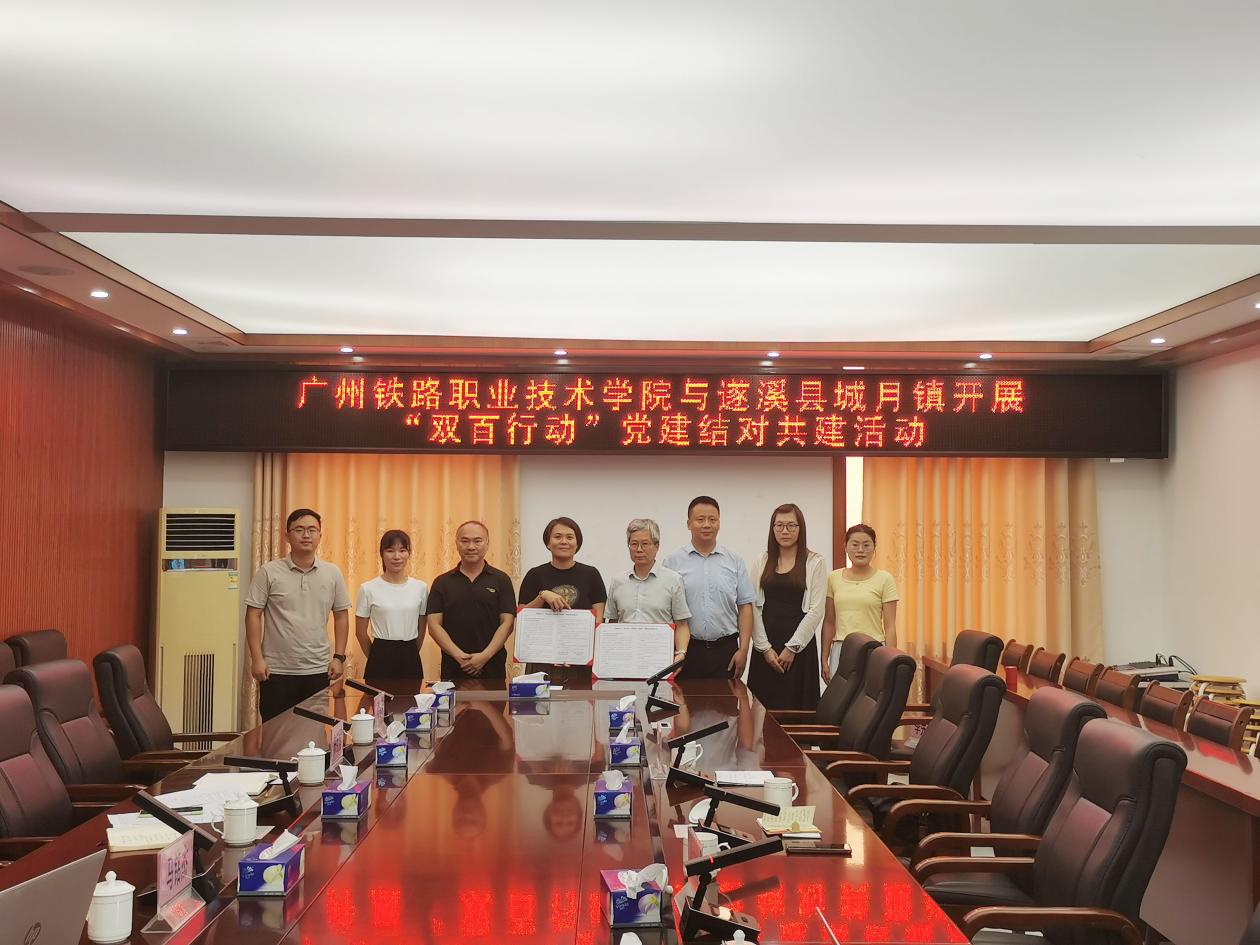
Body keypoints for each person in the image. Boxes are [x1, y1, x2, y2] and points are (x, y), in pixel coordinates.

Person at [244, 508, 351, 722]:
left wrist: (338, 657)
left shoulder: (332, 573)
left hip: (317, 669)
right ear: (287, 536)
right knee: (276, 732)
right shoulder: (269, 571)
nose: (306, 535)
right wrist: (257, 659)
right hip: (276, 670)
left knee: (313, 731)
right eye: (299, 530)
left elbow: (341, 616)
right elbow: (253, 615)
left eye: (312, 530)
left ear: (320, 535)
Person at [662, 496, 755, 679]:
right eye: (700, 519)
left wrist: (744, 650)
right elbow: (665, 609)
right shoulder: (672, 561)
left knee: (726, 698)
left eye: (712, 519)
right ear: (688, 524)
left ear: (719, 523)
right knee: (683, 698)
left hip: (726, 652)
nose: (706, 525)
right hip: (686, 651)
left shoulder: (734, 560)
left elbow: (745, 607)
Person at [747, 503, 826, 710]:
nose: (785, 531)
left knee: (799, 712)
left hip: (800, 649)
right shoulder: (762, 560)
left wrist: (792, 648)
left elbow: (816, 610)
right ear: (772, 529)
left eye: (791, 525)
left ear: (801, 529)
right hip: (766, 647)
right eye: (779, 525)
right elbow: (752, 606)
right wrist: (765, 648)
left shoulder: (815, 562)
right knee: (761, 715)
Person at [517, 517, 607, 683]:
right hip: (542, 660)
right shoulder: (535, 575)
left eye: (569, 537)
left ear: (577, 543)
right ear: (548, 543)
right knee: (540, 700)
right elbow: (523, 618)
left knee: (581, 699)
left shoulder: (591, 574)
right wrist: (543, 595)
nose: (564, 541)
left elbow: (599, 621)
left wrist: (573, 652)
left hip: (580, 660)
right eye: (557, 537)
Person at [426, 520, 516, 682]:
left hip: (492, 666)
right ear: (456, 543)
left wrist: (484, 656)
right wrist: (460, 657)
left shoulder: (501, 580)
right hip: (453, 666)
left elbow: (507, 624)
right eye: (465, 541)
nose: (471, 546)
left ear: (487, 543)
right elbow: (434, 625)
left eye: (477, 541)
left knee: (495, 700)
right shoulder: (442, 582)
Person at [604, 518, 691, 661]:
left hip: (659, 659)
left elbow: (682, 624)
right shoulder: (618, 581)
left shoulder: (673, 580)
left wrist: (681, 653)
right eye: (634, 544)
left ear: (657, 546)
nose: (639, 549)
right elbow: (612, 624)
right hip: (624, 659)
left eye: (645, 544)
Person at [821, 523, 899, 680]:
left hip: (874, 650)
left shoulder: (885, 579)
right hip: (841, 648)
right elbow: (829, 621)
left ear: (874, 547)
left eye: (866, 545)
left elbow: (890, 626)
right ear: (845, 546)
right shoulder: (833, 578)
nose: (860, 550)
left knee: (871, 694)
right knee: (840, 694)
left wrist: (891, 660)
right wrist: (824, 658)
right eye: (855, 544)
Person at [355, 529, 428, 681]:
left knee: (412, 695)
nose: (397, 556)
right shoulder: (368, 588)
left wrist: (411, 652)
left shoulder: (420, 587)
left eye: (402, 550)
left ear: (409, 553)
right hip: (380, 655)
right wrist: (375, 656)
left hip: (410, 655)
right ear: (381, 554)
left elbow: (422, 628)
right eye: (390, 551)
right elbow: (360, 632)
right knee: (377, 696)